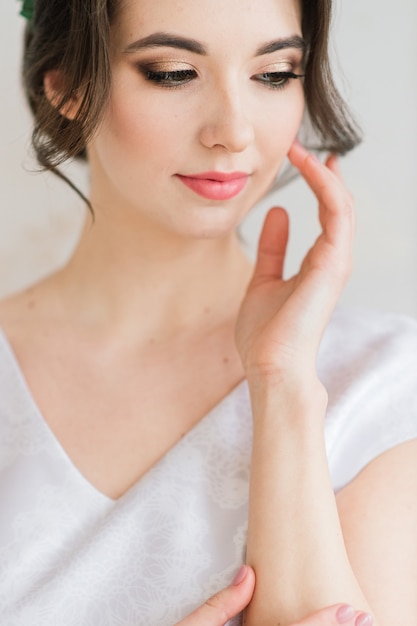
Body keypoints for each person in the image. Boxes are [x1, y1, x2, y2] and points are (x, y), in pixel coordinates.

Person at [0, 0, 416, 625]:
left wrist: (281, 385)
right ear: (66, 88)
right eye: (173, 72)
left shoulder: (383, 382)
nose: (235, 131)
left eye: (274, 74)